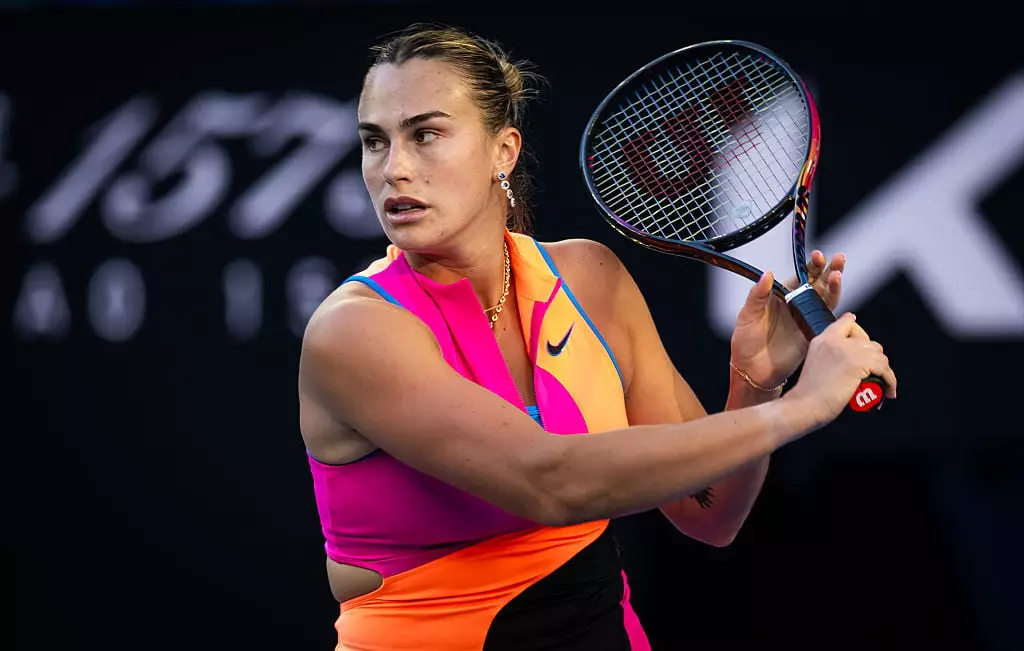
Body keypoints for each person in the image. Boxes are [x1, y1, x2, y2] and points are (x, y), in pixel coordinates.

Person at [297, 23, 897, 651]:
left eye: (425, 135)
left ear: (504, 151)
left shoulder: (590, 279)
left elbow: (711, 513)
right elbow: (551, 484)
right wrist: (803, 407)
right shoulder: (355, 331)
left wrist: (758, 385)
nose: (393, 168)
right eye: (374, 142)